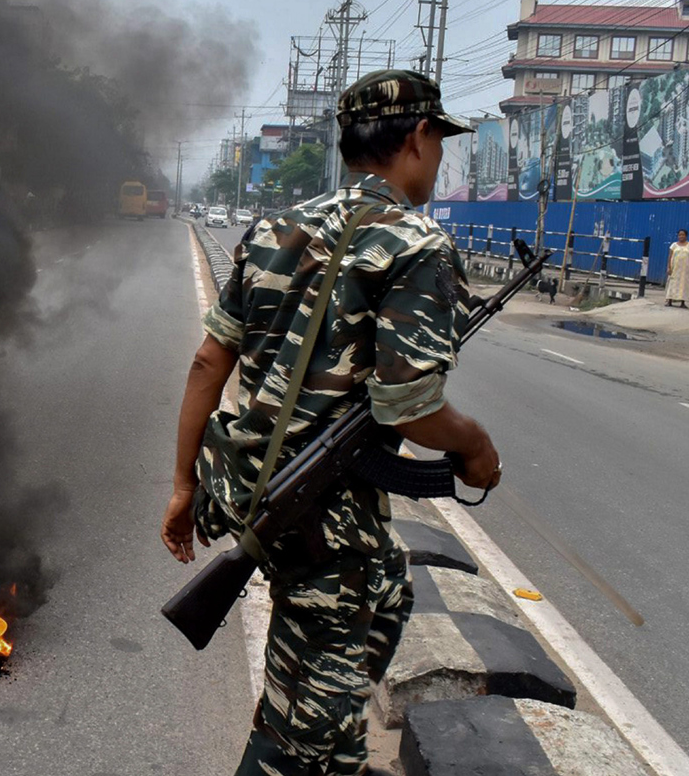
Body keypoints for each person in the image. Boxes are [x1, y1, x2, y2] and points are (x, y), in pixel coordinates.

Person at [160, 70, 501, 776]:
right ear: (417, 137)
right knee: (298, 740)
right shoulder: (416, 244)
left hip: (255, 487)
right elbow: (409, 404)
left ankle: (326, 721)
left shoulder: (273, 228)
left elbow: (206, 365)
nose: (438, 156)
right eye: (438, 140)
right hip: (322, 522)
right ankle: (306, 734)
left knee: (388, 591)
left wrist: (181, 488)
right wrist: (475, 448)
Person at [665, 229, 689, 308]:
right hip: (675, 268)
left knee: (684, 284)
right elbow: (670, 257)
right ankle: (669, 300)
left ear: (686, 236)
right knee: (672, 283)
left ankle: (683, 302)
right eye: (679, 235)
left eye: (683, 235)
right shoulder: (674, 245)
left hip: (685, 269)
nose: (681, 236)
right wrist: (669, 267)